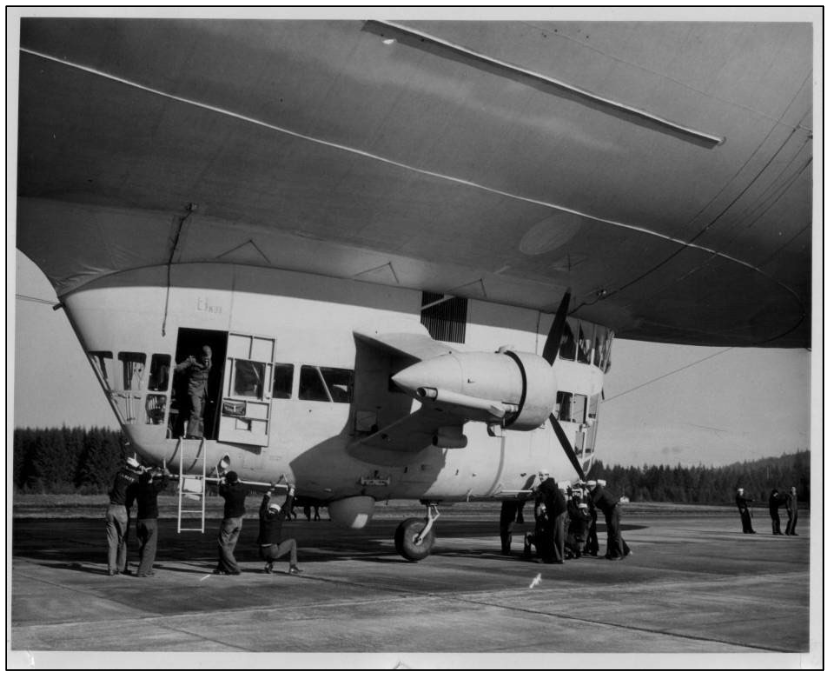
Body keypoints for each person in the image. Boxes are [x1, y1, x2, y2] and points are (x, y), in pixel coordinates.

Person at [106, 457, 142, 576]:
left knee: (112, 542)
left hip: (111, 508)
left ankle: (111, 568)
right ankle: (121, 567)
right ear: (135, 468)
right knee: (123, 541)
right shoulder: (136, 479)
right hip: (123, 510)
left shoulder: (119, 474)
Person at [257, 483, 302, 575]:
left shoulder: (263, 515)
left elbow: (263, 504)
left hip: (262, 552)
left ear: (269, 509)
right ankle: (293, 567)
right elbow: (287, 506)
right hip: (272, 551)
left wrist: (270, 490)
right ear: (277, 512)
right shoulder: (278, 518)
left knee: (276, 544)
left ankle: (268, 566)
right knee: (292, 542)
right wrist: (291, 490)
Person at [135, 467, 169, 577]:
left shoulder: (138, 489)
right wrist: (166, 474)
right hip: (150, 521)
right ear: (150, 480)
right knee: (150, 547)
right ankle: (142, 571)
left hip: (140, 520)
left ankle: (147, 570)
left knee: (142, 546)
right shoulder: (152, 488)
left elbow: (144, 479)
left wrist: (146, 473)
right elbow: (164, 484)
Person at [175, 345, 212, 439]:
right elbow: (178, 368)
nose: (207, 361)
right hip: (194, 390)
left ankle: (199, 434)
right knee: (196, 412)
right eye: (206, 359)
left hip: (203, 391)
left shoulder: (209, 362)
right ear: (201, 356)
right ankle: (191, 434)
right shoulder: (192, 361)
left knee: (200, 415)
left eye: (209, 359)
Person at [214, 471, 247, 575]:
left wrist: (222, 482)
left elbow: (221, 490)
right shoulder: (243, 488)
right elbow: (242, 485)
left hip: (230, 520)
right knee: (230, 545)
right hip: (240, 519)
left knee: (223, 545)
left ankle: (233, 568)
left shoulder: (228, 490)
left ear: (228, 480)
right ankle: (223, 567)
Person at [590, 479, 630, 559]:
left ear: (594, 486)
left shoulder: (599, 490)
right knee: (611, 532)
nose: (588, 488)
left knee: (615, 532)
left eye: (589, 487)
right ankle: (611, 553)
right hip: (610, 512)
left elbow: (593, 501)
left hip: (613, 511)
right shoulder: (598, 491)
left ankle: (618, 554)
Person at [535, 472, 567, 564]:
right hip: (559, 511)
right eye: (540, 475)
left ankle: (558, 558)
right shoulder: (550, 484)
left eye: (543, 475)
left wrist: (537, 490)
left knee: (556, 535)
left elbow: (543, 489)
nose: (541, 477)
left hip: (558, 512)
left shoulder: (547, 485)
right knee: (556, 534)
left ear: (547, 476)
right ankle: (557, 557)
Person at [565, 489, 590, 559]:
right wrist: (584, 493)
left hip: (575, 539)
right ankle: (578, 550)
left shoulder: (578, 516)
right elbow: (584, 502)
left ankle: (571, 551)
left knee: (563, 539)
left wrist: (570, 497)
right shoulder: (587, 516)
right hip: (583, 540)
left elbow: (571, 508)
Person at [582, 481, 600, 557]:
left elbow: (589, 504)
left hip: (590, 515)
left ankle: (590, 549)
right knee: (592, 533)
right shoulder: (593, 493)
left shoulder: (589, 495)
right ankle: (593, 549)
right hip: (592, 515)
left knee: (590, 533)